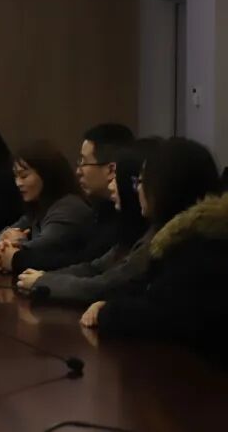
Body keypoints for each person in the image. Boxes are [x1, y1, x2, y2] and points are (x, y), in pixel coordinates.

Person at [78, 138, 227, 364]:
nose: (137, 189)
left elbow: (160, 315)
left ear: (167, 187)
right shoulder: (180, 237)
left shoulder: (198, 249)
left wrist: (109, 311)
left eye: (142, 181)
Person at [16, 140, 153, 304]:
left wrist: (40, 278)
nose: (111, 186)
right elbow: (94, 267)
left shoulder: (70, 207)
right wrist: (44, 277)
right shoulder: (113, 217)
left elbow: (102, 285)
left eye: (23, 175)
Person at [7, 123, 135, 273]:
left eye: (84, 162)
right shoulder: (102, 208)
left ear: (111, 170)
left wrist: (16, 255)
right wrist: (8, 244)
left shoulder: (72, 208)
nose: (78, 171)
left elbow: (86, 265)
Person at [0, 140, 94, 274]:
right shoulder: (38, 207)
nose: (18, 183)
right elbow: (2, 236)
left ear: (46, 174)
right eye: (16, 176)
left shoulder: (70, 208)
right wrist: (4, 242)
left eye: (24, 176)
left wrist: (16, 244)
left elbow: (40, 250)